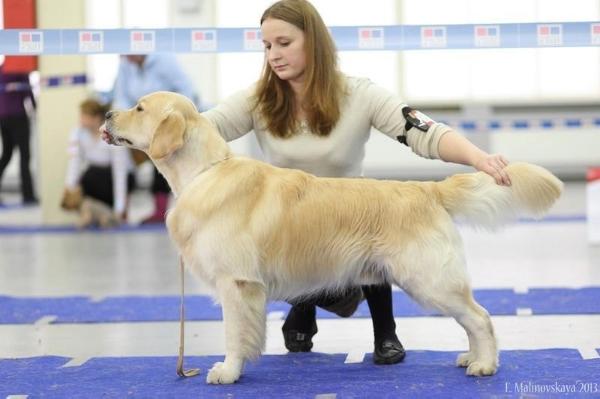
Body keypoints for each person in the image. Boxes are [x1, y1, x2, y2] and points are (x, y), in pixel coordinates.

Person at [112, 54, 199, 224]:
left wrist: (179, 118)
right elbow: (120, 97)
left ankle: (173, 211)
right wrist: (120, 124)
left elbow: (187, 89)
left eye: (127, 55)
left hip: (169, 121)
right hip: (140, 123)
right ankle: (126, 208)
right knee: (126, 158)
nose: (125, 59)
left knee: (166, 157)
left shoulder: (165, 61)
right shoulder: (125, 65)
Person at [64, 98, 135, 221]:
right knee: (87, 177)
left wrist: (120, 208)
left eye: (84, 116)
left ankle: (112, 212)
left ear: (96, 118)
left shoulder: (112, 134)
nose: (80, 119)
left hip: (118, 177)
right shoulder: (77, 133)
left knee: (99, 176)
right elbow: (74, 162)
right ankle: (100, 213)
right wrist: (69, 190)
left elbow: (120, 173)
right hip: (96, 178)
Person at [0, 69, 37, 204]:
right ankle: (28, 195)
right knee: (24, 156)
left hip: (3, 117)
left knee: (6, 155)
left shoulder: (2, 69)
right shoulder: (20, 68)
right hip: (18, 116)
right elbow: (28, 93)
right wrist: (36, 108)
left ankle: (27, 194)